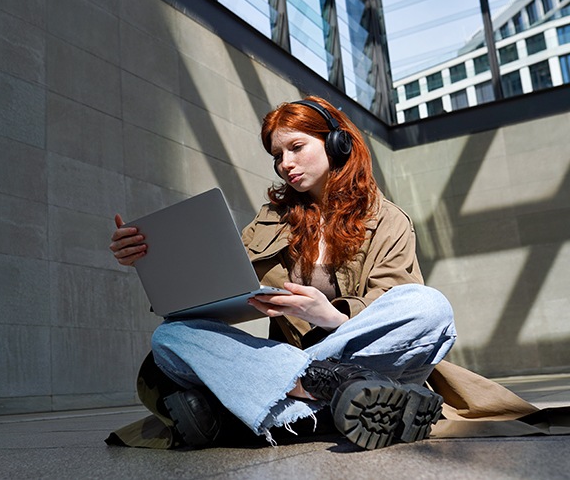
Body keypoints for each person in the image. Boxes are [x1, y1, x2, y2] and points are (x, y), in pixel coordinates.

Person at [109, 97, 457, 451]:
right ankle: (330, 396)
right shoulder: (270, 220)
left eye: (296, 147)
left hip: (359, 353)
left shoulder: (388, 219)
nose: (285, 164)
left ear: (337, 143)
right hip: (299, 366)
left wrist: (332, 316)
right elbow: (215, 288)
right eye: (277, 155)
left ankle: (289, 402)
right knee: (170, 338)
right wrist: (149, 259)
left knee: (429, 305)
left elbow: (394, 301)